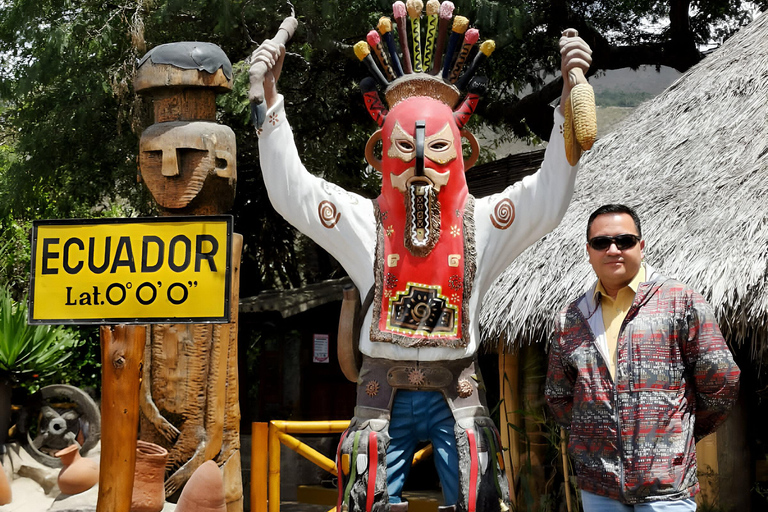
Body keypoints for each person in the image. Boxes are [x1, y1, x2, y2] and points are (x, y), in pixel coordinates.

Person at [252, 25, 592, 512]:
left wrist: (566, 102)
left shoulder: (484, 222)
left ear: (460, 153)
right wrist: (269, 105)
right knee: (364, 497)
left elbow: (548, 198)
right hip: (378, 389)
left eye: (436, 148)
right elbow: (293, 193)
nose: (418, 162)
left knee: (478, 496)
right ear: (382, 155)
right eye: (403, 148)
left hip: (458, 389)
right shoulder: (363, 221)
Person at [545, 204, 741, 510]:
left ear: (641, 245)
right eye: (601, 243)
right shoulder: (571, 318)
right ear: (588, 250)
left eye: (624, 241)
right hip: (599, 486)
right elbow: (558, 395)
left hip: (666, 486)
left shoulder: (679, 302)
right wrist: (596, 436)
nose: (613, 250)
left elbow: (721, 380)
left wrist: (678, 434)